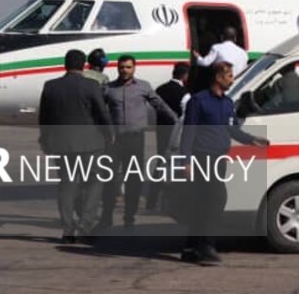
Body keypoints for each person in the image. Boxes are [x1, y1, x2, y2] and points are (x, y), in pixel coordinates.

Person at [178, 60, 265, 265]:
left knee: (202, 203)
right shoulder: (198, 101)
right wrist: (186, 161)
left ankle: (191, 247)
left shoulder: (227, 103)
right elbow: (188, 131)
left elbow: (232, 129)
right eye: (229, 76)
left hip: (219, 159)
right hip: (202, 158)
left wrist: (252, 140)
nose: (232, 80)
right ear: (218, 77)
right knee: (217, 199)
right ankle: (207, 245)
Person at [38, 49, 113, 244]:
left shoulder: (51, 86)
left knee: (67, 186)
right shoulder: (91, 85)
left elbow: (44, 117)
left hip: (61, 144)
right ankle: (85, 226)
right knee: (94, 183)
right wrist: (109, 134)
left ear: (65, 65)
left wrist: (45, 139)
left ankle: (68, 229)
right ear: (83, 66)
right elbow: (102, 113)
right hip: (90, 144)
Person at [100, 54, 176, 229]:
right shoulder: (108, 89)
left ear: (134, 68)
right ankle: (106, 216)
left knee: (133, 179)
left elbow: (160, 105)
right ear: (117, 68)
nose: (125, 70)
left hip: (135, 139)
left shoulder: (144, 87)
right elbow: (99, 111)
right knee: (110, 179)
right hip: (114, 141)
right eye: (122, 67)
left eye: (128, 67)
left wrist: (177, 120)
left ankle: (129, 217)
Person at [146, 62, 190, 211]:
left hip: (161, 130)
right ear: (185, 76)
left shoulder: (160, 89)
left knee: (160, 163)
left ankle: (151, 200)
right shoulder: (185, 93)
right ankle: (167, 202)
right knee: (174, 166)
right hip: (175, 132)